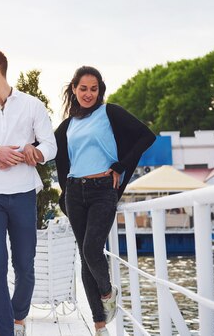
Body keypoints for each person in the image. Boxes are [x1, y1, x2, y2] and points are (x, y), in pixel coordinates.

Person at [0, 47, 57, 336]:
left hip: (23, 193)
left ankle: (17, 317)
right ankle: (6, 331)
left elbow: (50, 147)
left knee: (25, 265)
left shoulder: (32, 106)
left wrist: (33, 151)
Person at [54, 66, 155, 336]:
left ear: (100, 90)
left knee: (91, 250)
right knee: (85, 260)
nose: (88, 94)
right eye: (83, 88)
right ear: (74, 89)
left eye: (94, 89)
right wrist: (64, 193)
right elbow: (53, 155)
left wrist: (120, 166)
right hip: (75, 192)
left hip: (102, 190)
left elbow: (147, 136)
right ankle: (100, 326)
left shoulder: (110, 112)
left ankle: (108, 293)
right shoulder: (67, 125)